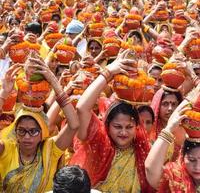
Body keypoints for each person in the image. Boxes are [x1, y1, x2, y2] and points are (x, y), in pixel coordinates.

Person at [69, 50, 154, 192]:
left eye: (129, 127)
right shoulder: (98, 141)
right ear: (107, 125)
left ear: (137, 127)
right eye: (117, 126)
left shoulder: (143, 149)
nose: (123, 132)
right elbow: (82, 108)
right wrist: (108, 73)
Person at [0, 59, 79, 192]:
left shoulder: (50, 150)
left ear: (42, 132)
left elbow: (74, 125)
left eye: (33, 131)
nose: (27, 137)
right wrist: (4, 93)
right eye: (21, 131)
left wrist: (55, 83)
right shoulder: (7, 149)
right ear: (15, 132)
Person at [145, 85, 200, 192]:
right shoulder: (175, 179)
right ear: (182, 158)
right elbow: (151, 171)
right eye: (192, 160)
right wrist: (169, 128)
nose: (198, 167)